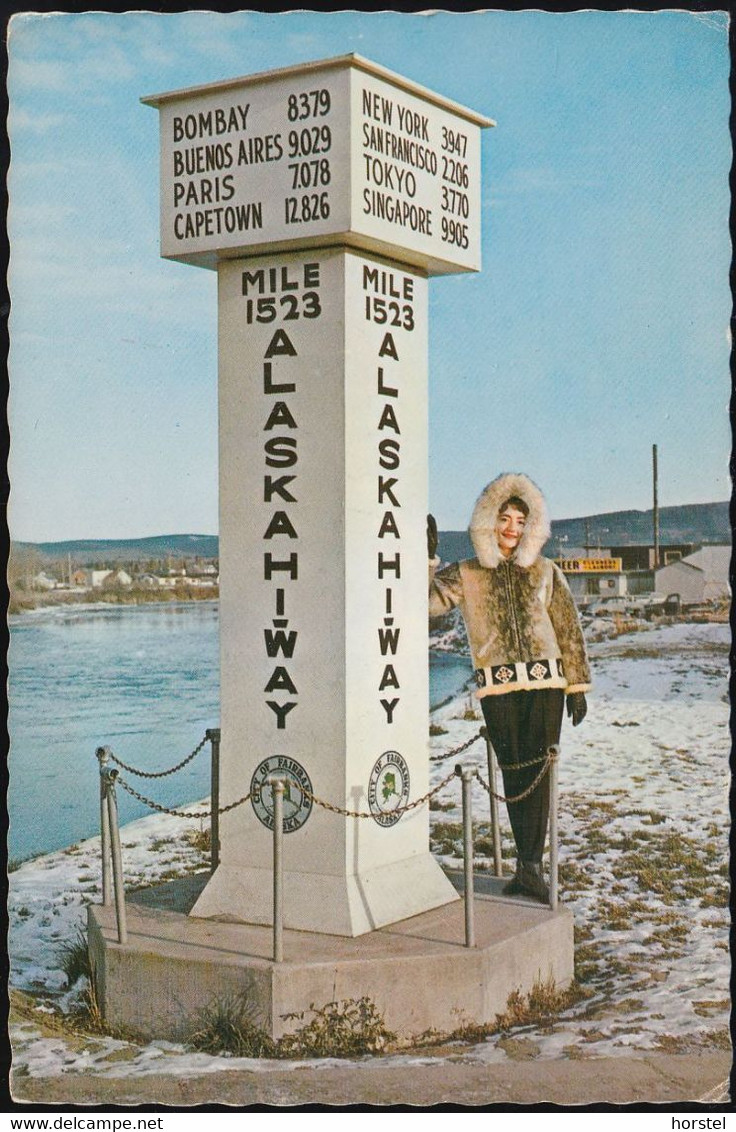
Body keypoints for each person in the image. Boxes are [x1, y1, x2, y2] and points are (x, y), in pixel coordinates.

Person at [428, 472, 591, 902]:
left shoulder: (545, 571)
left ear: (531, 526)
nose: (512, 529)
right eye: (505, 518)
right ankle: (526, 867)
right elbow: (424, 605)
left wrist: (576, 686)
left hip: (546, 686)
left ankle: (531, 867)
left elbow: (568, 627)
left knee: (539, 773)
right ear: (489, 520)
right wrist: (427, 561)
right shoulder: (466, 573)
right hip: (498, 689)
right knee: (515, 775)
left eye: (521, 520)